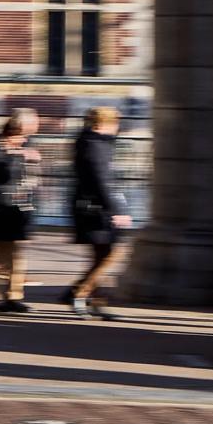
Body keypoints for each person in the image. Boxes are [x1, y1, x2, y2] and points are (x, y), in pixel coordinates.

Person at [64, 106, 132, 320]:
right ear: (104, 123)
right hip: (96, 209)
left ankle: (93, 300)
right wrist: (116, 210)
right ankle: (80, 294)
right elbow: (101, 180)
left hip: (92, 206)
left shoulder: (92, 143)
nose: (118, 127)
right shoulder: (95, 145)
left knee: (102, 255)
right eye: (116, 123)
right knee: (111, 254)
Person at [0, 108, 42, 313]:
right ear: (20, 125)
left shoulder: (24, 143)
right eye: (33, 123)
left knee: (15, 254)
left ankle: (10, 296)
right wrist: (18, 154)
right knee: (3, 254)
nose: (36, 126)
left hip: (19, 208)